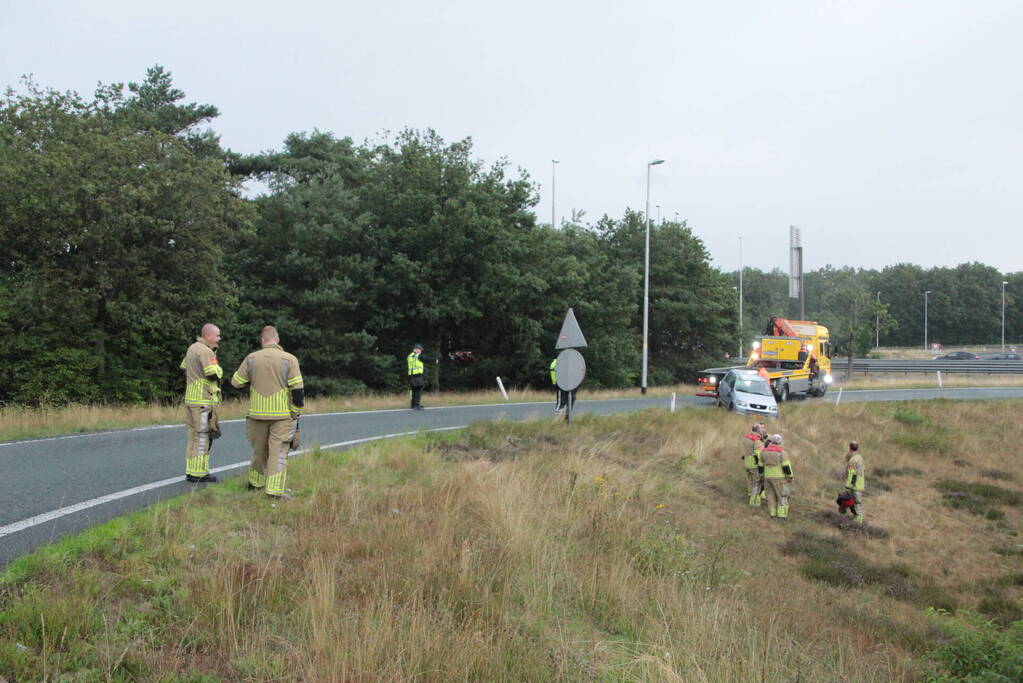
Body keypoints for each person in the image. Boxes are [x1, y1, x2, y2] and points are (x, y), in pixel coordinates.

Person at [231, 326, 303, 498]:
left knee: (259, 451)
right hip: (281, 416)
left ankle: (255, 484)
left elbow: (236, 382)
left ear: (262, 340)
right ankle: (274, 490)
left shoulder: (251, 358)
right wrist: (295, 412)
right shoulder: (289, 359)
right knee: (278, 452)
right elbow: (298, 389)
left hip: (257, 414)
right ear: (277, 340)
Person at [179, 323, 222, 483]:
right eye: (217, 335)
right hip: (203, 400)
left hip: (190, 398)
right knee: (203, 436)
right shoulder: (206, 351)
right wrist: (219, 369)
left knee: (192, 436)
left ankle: (191, 470)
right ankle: (199, 473)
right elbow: (212, 374)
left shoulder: (192, 348)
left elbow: (184, 366)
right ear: (208, 336)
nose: (219, 338)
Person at [760, 434, 793, 519]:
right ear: (780, 442)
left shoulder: (763, 451)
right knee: (782, 496)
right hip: (779, 478)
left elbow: (760, 465)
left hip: (767, 477)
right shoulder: (782, 452)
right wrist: (790, 476)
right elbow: (786, 466)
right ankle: (782, 516)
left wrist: (761, 476)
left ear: (771, 441)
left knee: (770, 496)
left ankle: (772, 514)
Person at [407, 343, 438, 410]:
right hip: (417, 376)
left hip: (410, 376)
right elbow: (426, 359)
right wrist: (434, 360)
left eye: (420, 350)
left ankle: (413, 405)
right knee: (418, 389)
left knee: (413, 390)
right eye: (420, 349)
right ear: (415, 349)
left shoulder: (409, 356)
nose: (420, 351)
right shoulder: (417, 356)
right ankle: (417, 405)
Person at [742, 423, 764, 506]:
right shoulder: (757, 440)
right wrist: (761, 465)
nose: (763, 430)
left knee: (750, 479)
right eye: (761, 429)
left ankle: (750, 494)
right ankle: (753, 501)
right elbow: (758, 454)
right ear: (758, 430)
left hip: (747, 462)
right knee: (757, 482)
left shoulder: (747, 437)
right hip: (754, 464)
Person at [844, 441, 865, 524]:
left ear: (849, 448)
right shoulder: (860, 457)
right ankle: (856, 519)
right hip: (860, 483)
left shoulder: (852, 460)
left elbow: (851, 474)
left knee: (856, 504)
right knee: (854, 503)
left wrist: (848, 486)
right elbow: (864, 469)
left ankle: (858, 522)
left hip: (855, 485)